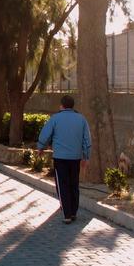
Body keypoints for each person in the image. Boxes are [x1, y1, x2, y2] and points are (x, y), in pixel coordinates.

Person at [36, 94, 91, 224]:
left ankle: (66, 214)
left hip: (60, 158)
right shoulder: (81, 119)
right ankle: (73, 212)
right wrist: (86, 156)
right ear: (72, 106)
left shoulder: (55, 118)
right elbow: (87, 139)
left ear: (61, 105)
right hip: (75, 158)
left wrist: (40, 147)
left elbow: (45, 134)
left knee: (62, 185)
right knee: (74, 184)